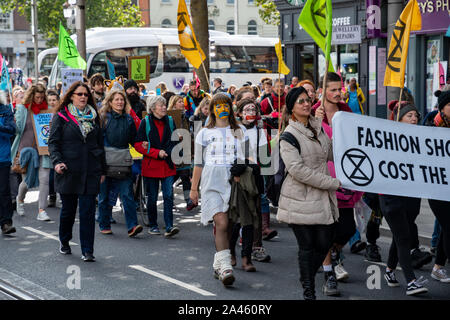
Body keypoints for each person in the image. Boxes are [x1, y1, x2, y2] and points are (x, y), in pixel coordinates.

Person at [277, 86, 340, 300]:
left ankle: (307, 278)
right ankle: (309, 292)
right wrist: (331, 183)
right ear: (292, 108)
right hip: (299, 198)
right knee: (307, 247)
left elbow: (331, 153)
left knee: (324, 244)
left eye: (307, 100)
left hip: (322, 198)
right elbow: (297, 170)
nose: (306, 104)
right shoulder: (288, 135)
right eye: (300, 101)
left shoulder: (318, 127)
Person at [190, 93, 247, 286]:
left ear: (231, 108)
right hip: (211, 180)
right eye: (218, 105)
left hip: (234, 181)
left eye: (226, 105)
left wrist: (241, 167)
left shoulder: (240, 130)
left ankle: (218, 262)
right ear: (213, 109)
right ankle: (225, 267)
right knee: (221, 222)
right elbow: (198, 162)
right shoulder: (204, 133)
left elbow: (248, 156)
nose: (222, 109)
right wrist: (193, 189)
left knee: (230, 223)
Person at [48, 81, 106, 262]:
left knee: (88, 212)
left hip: (90, 171)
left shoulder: (94, 117)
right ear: (71, 96)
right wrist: (57, 162)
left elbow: (100, 145)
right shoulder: (62, 117)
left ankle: (87, 250)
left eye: (85, 95)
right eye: (79, 94)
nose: (83, 97)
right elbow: (53, 143)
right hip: (69, 170)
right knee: (68, 211)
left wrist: (103, 169)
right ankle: (64, 240)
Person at [312, 72, 358, 296]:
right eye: (332, 90)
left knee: (348, 227)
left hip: (345, 177)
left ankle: (333, 252)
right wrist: (314, 121)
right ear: (322, 91)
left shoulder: (346, 111)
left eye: (339, 89)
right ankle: (328, 272)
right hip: (322, 178)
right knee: (326, 227)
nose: (338, 93)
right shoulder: (312, 113)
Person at [378, 101, 428, 295]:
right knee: (404, 236)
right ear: (398, 119)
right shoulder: (385, 139)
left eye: (416, 115)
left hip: (412, 195)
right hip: (390, 196)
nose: (414, 118)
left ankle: (390, 271)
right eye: (409, 116)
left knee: (401, 234)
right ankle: (411, 281)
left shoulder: (422, 139)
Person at [97, 89, 142, 237]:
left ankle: (132, 226)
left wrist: (143, 145)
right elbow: (98, 141)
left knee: (127, 195)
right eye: (116, 99)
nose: (120, 102)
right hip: (106, 162)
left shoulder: (128, 119)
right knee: (104, 196)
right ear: (110, 102)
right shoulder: (104, 118)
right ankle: (104, 224)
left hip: (123, 161)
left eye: (122, 100)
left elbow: (133, 140)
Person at [229, 98, 267, 272]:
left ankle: (247, 256)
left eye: (254, 110)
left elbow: (263, 156)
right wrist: (236, 170)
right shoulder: (234, 130)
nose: (251, 113)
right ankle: (231, 252)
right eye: (247, 110)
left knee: (251, 217)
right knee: (237, 217)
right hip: (238, 176)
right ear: (239, 113)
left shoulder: (260, 132)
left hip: (254, 177)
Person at [134, 96, 180, 238]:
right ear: (153, 108)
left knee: (168, 196)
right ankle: (153, 225)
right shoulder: (145, 122)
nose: (165, 107)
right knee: (152, 197)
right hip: (151, 166)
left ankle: (169, 226)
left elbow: (174, 140)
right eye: (161, 105)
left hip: (168, 165)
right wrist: (155, 152)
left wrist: (178, 139)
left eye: (165, 105)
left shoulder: (171, 121)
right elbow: (138, 145)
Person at [11, 84, 53, 221]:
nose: (40, 100)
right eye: (37, 97)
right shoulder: (23, 109)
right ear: (31, 96)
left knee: (45, 179)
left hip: (43, 150)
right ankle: (20, 199)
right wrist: (14, 122)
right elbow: (17, 130)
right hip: (26, 149)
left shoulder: (47, 111)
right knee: (27, 181)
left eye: (42, 97)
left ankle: (42, 210)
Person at [426, 89, 450, 283]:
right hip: (436, 187)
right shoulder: (430, 125)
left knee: (445, 228)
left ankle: (438, 267)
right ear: (442, 108)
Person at [168, 94, 196, 210]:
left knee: (185, 175)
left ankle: (188, 200)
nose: (182, 104)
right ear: (174, 103)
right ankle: (169, 200)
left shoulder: (185, 116)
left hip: (184, 149)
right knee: (171, 178)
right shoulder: (168, 116)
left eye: (182, 101)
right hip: (173, 150)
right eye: (179, 101)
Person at [0, 90, 17, 234]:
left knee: (4, 190)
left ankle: (6, 222)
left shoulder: (5, 111)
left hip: (2, 157)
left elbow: (12, 130)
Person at [46, 90, 60, 208]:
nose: (52, 102)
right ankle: (52, 194)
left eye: (54, 100)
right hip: (47, 146)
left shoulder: (61, 113)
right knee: (51, 173)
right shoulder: (43, 113)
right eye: (49, 100)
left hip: (61, 146)